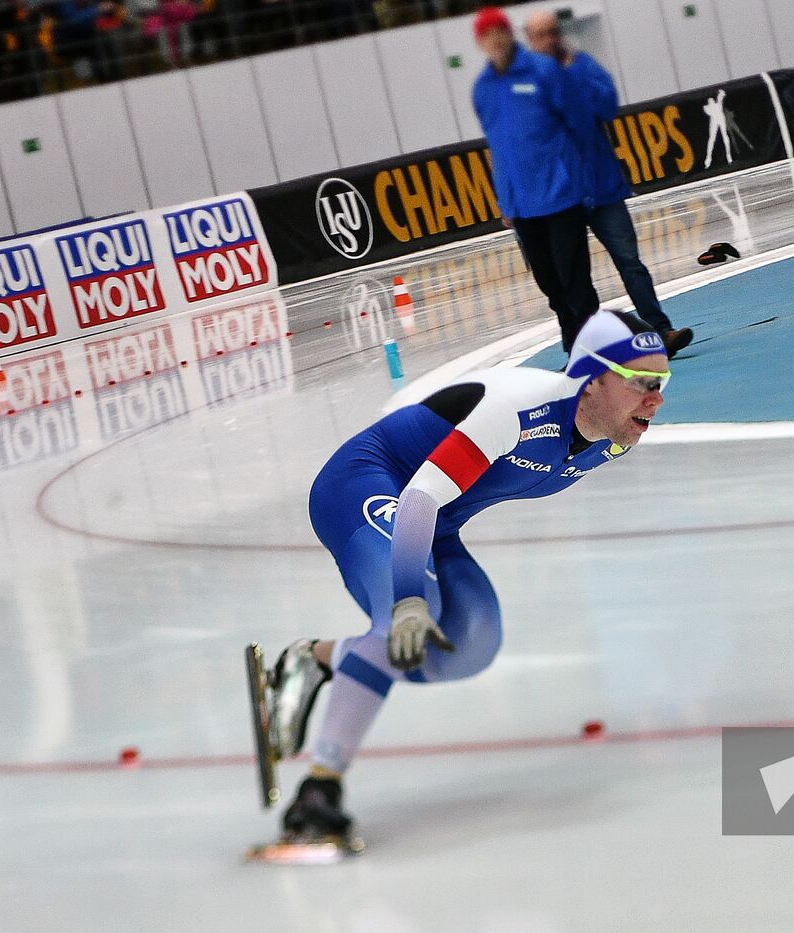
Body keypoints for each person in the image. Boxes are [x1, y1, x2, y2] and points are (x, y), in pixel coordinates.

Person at [264, 311, 671, 837]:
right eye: (641, 383)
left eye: (662, 383)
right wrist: (407, 599)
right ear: (592, 379)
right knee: (412, 616)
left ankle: (316, 660)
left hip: (435, 518)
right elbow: (419, 496)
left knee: (470, 642)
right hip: (367, 486)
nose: (655, 399)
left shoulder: (610, 440)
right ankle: (318, 789)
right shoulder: (519, 410)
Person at [523, 9, 694, 358]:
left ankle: (660, 330)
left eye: (553, 32)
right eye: (541, 35)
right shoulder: (526, 84)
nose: (550, 40)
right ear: (530, 41)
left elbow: (607, 107)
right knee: (572, 281)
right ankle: (592, 346)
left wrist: (570, 75)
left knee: (629, 262)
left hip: (601, 189)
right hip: (560, 201)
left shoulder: (582, 67)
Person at [471, 5, 600, 353]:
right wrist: (505, 201)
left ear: (509, 33)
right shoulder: (482, 89)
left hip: (561, 195)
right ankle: (575, 347)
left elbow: (579, 123)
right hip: (522, 205)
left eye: (499, 31)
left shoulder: (543, 70)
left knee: (573, 278)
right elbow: (497, 148)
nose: (494, 40)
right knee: (548, 281)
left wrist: (580, 178)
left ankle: (592, 347)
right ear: (480, 42)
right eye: (486, 35)